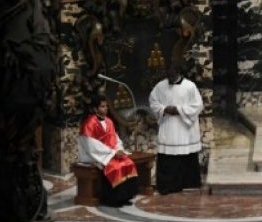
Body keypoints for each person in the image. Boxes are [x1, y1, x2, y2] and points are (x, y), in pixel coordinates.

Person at [149, 65, 204, 194]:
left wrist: (178, 110)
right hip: (168, 126)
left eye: (172, 75)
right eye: (168, 75)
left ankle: (188, 183)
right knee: (168, 158)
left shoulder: (190, 86)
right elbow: (153, 101)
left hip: (184, 129)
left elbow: (198, 105)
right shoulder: (160, 86)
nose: (170, 77)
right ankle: (167, 185)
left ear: (178, 72)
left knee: (185, 156)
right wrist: (164, 109)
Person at [77, 96, 139, 206]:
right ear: (95, 109)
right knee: (115, 167)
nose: (106, 108)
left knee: (128, 163)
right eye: (102, 106)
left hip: (110, 153)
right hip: (95, 155)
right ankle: (112, 200)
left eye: (106, 106)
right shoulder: (89, 123)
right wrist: (113, 153)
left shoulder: (109, 121)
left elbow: (115, 138)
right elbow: (92, 146)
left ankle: (125, 197)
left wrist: (119, 149)